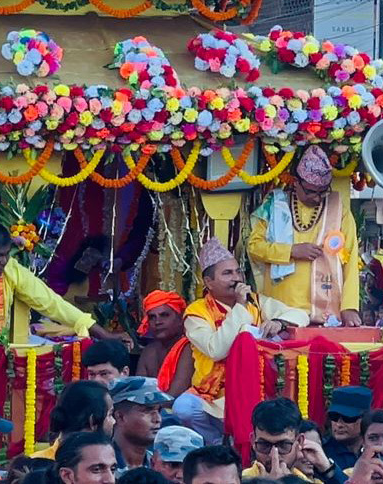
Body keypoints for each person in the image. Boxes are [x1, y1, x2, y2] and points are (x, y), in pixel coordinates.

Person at [174, 239, 308, 445]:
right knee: (183, 408)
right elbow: (216, 349)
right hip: (212, 396)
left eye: (238, 272)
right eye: (227, 274)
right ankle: (216, 444)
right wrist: (240, 307)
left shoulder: (257, 302)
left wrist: (280, 322)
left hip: (254, 389)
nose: (236, 278)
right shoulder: (196, 313)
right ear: (209, 282)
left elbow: (300, 315)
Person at [0, 220, 119, 346]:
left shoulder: (9, 269)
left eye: (6, 254)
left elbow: (50, 302)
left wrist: (100, 332)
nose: (3, 261)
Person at [245, 146, 361, 327]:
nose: (316, 198)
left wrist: (350, 307)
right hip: (279, 309)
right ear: (296, 183)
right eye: (310, 191)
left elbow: (351, 260)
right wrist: (291, 251)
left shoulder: (339, 211)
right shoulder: (274, 205)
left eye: (322, 191)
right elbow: (254, 247)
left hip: (325, 312)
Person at [109, 377, 171, 473]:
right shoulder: (101, 465)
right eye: (147, 410)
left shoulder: (161, 466)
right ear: (120, 417)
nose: (157, 419)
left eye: (158, 410)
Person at [135, 291, 191, 397]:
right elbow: (139, 393)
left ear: (180, 319)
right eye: (152, 317)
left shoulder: (189, 347)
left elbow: (173, 396)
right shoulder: (149, 351)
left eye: (164, 315)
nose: (158, 322)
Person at [324, 386, 372, 471]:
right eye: (334, 417)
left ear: (365, 419)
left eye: (347, 418)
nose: (339, 424)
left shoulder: (376, 450)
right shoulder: (323, 453)